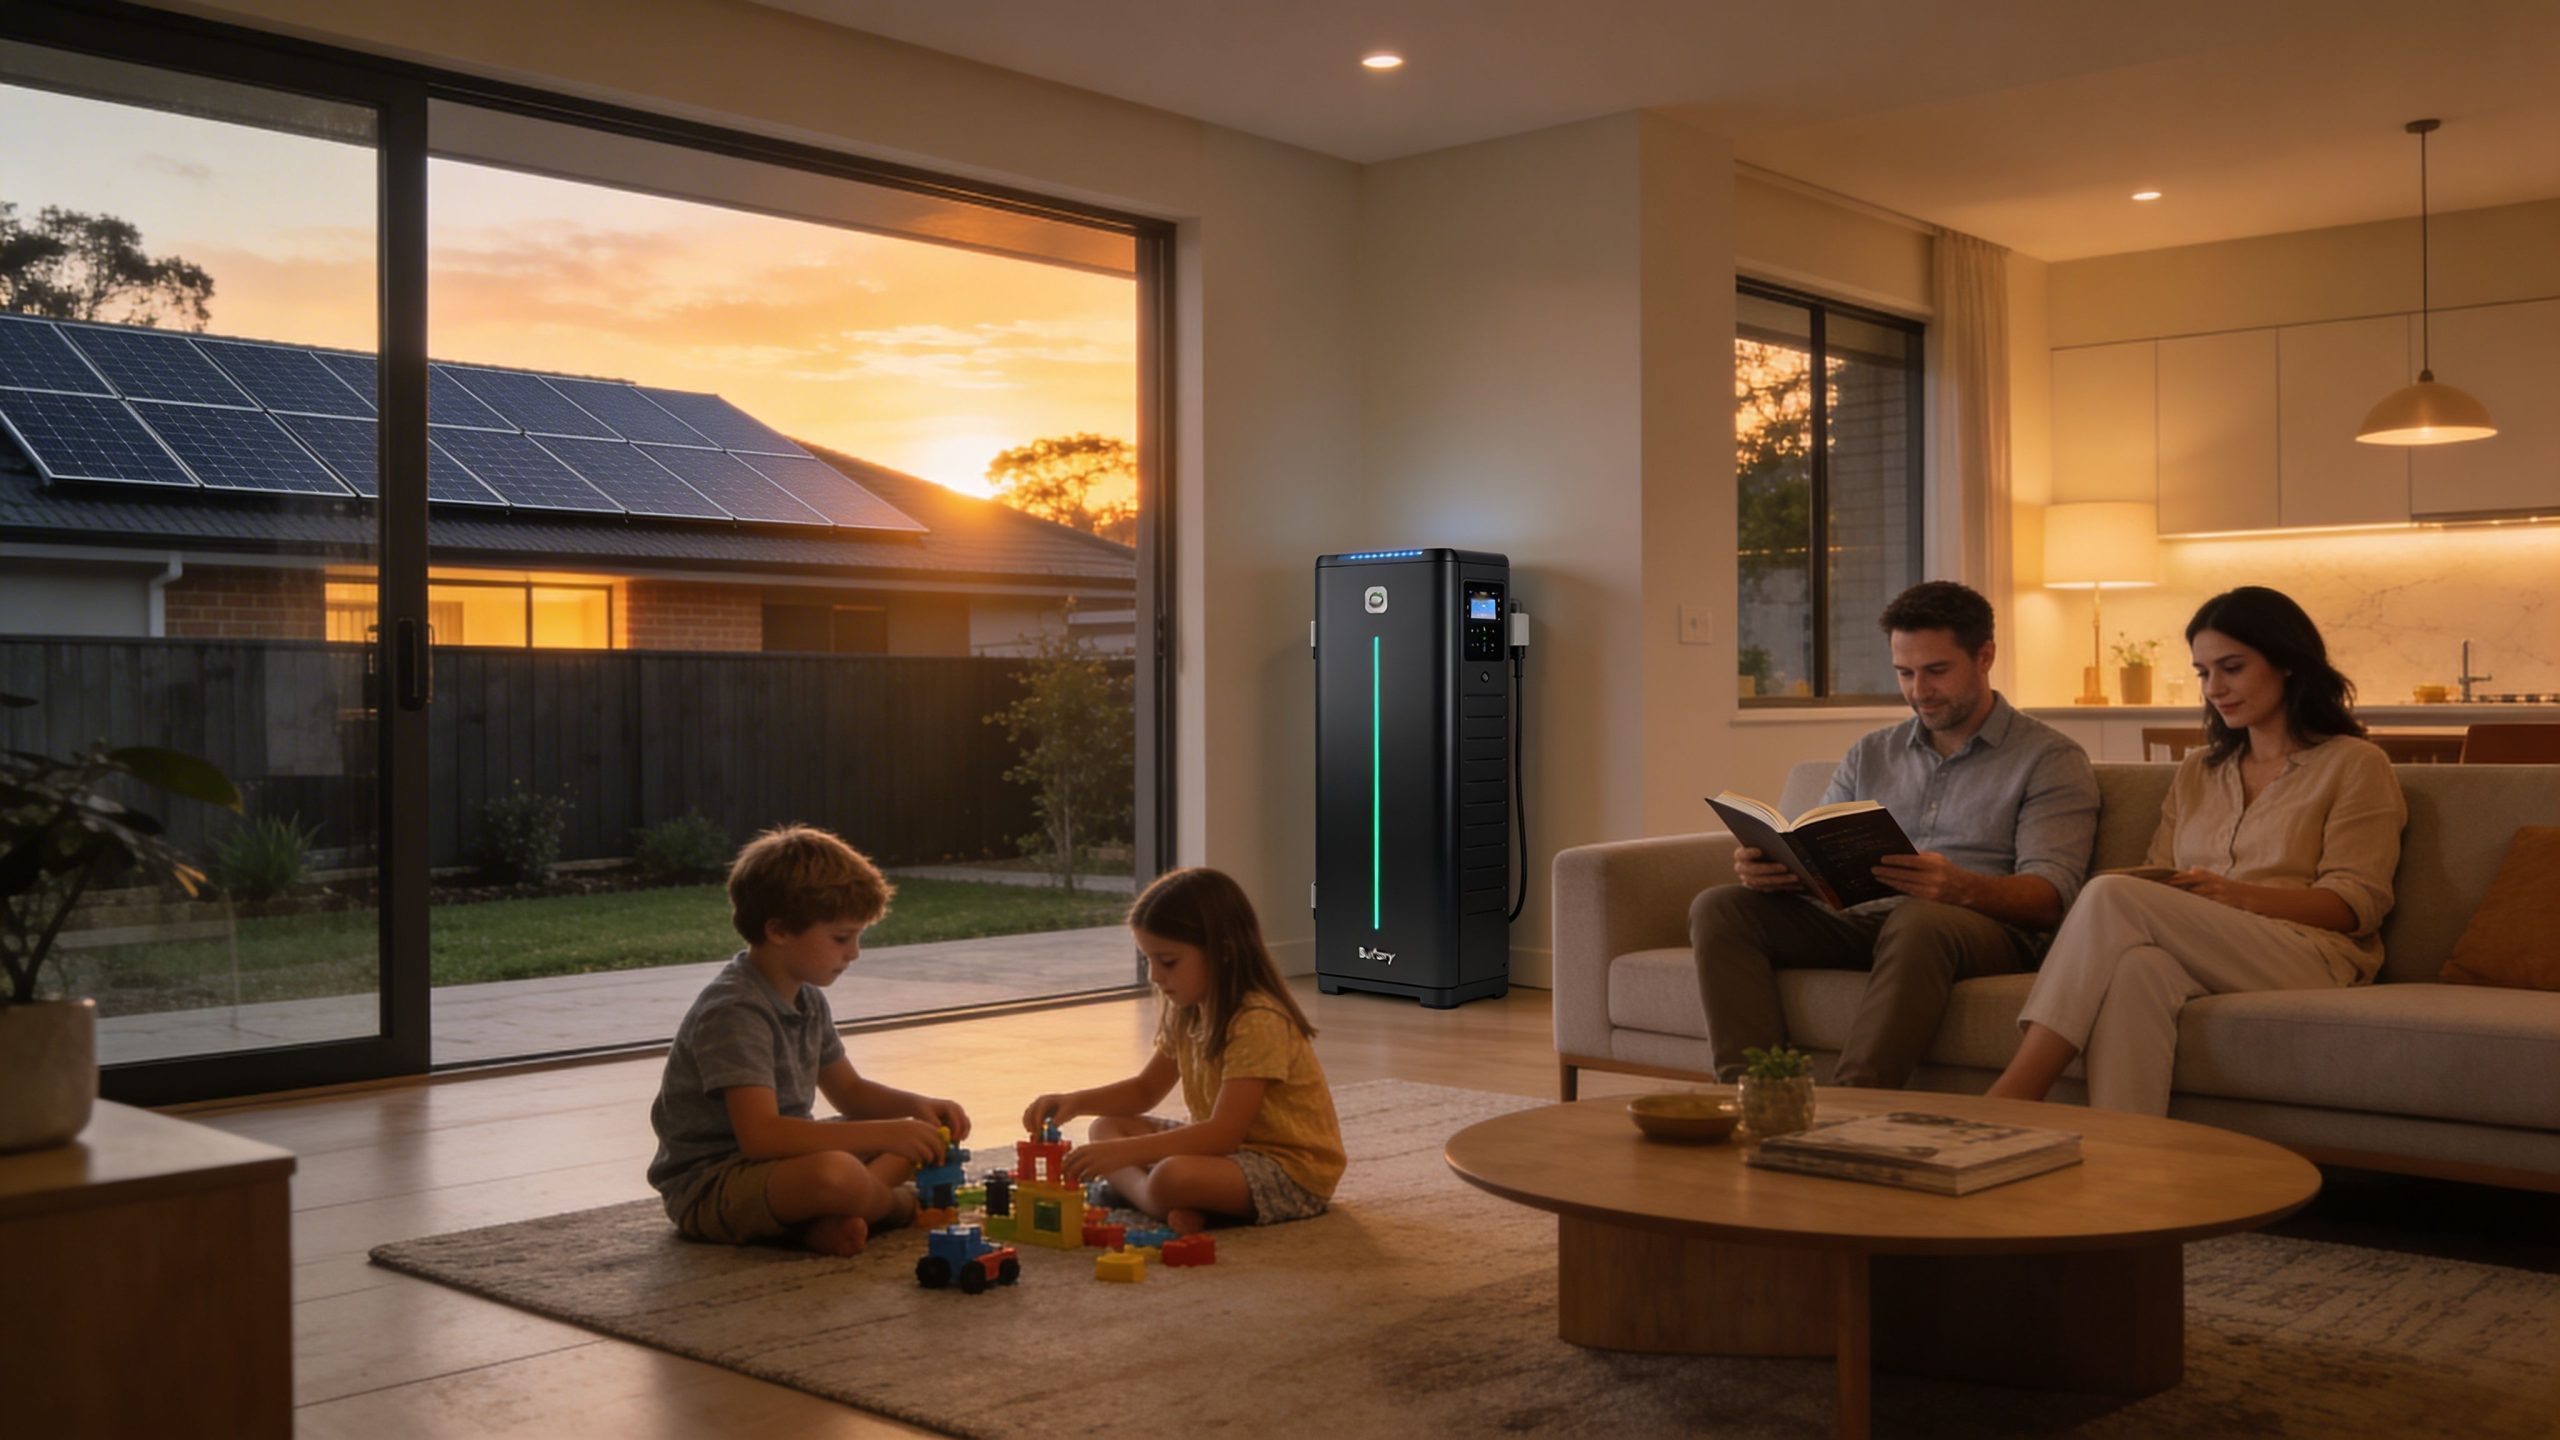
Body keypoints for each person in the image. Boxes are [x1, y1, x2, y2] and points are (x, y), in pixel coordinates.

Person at [1987, 587, 2404, 1115]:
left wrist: (2236, 896)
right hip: (2213, 945)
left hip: (2312, 956)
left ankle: (2012, 1098)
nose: (2215, 688)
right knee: (2139, 968)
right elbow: (2162, 876)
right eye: (2204, 673)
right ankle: (2128, 1166)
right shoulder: (2197, 772)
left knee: (2114, 894)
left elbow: (2354, 906)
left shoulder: (2355, 764)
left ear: (2289, 664)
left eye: (2231, 667)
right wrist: (2173, 892)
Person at [1693, 581, 2100, 1088]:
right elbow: (1820, 846)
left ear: (1985, 656)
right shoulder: (1871, 752)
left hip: (1979, 927)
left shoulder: (2050, 758)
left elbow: (2052, 898)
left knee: (1920, 919)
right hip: (1867, 920)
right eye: (1904, 674)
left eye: (1935, 672)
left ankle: (1855, 1103)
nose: (1918, 692)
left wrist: (1960, 887)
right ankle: (1758, 1095)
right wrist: (1781, 869)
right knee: (1722, 907)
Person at [646, 824, 971, 1256]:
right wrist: (891, 1137)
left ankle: (819, 1225)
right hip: (714, 1182)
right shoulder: (734, 1011)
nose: (853, 952)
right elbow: (761, 1138)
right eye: (841, 938)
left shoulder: (807, 998)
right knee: (834, 1174)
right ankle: (897, 1207)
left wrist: (915, 1111)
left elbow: (850, 1092)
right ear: (779, 931)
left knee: (924, 1139)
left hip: (777, 1168)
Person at [1024, 867, 1345, 1235]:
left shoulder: (1257, 1019)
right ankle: (1181, 1204)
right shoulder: (1188, 1010)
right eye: (1149, 961)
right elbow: (1145, 1090)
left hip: (1288, 1171)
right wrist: (1076, 1102)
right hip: (1226, 1157)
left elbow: (1223, 1133)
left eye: (1168, 962)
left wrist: (1122, 1157)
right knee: (1107, 1126)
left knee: (1171, 1175)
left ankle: (1147, 1198)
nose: (1155, 976)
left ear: (1222, 952)